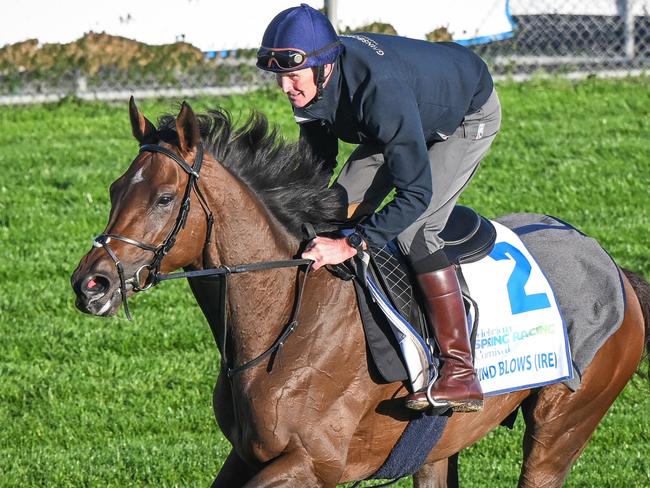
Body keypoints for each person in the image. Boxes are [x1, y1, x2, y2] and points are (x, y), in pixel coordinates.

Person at [256, 3, 501, 412]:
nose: (286, 89)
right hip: (402, 118)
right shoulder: (312, 81)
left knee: (415, 230)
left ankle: (461, 372)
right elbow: (318, 161)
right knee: (331, 210)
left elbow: (415, 193)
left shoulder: (377, 91)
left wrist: (351, 244)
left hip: (464, 116)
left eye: (293, 77)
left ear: (323, 68)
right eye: (280, 78)